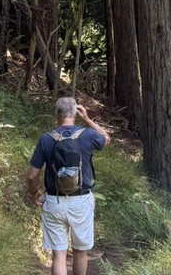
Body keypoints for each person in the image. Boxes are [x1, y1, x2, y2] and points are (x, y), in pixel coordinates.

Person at [27, 96, 110, 275]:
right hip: (81, 200)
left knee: (59, 254)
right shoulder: (87, 135)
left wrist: (34, 192)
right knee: (81, 252)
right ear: (75, 114)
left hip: (54, 201)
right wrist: (87, 119)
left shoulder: (46, 139)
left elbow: (32, 175)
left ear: (57, 114)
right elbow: (106, 138)